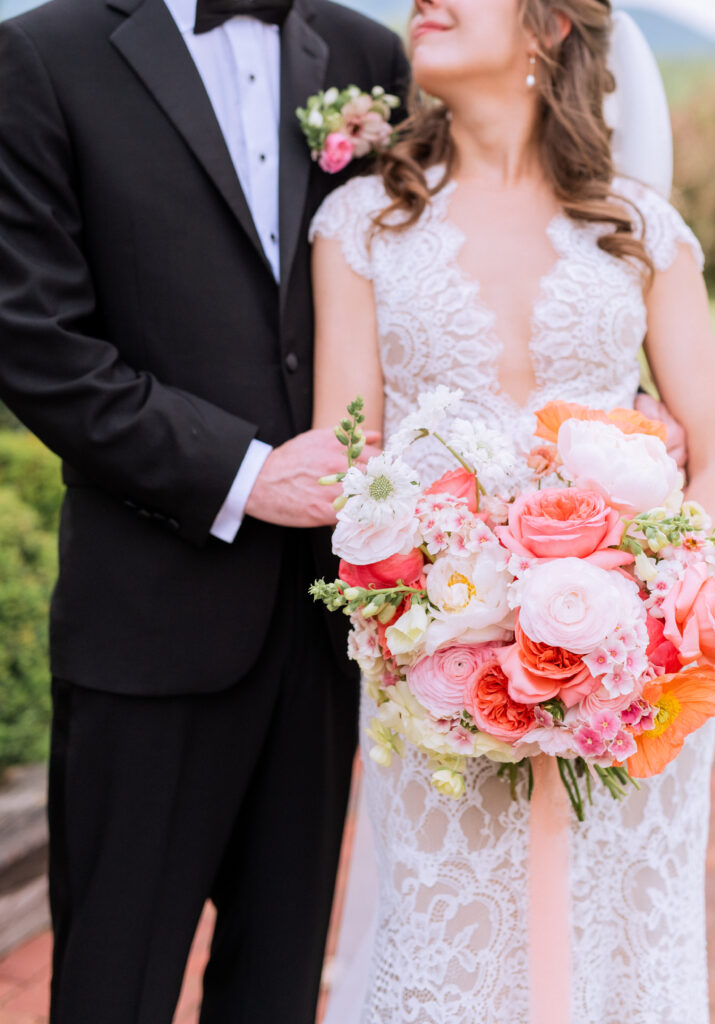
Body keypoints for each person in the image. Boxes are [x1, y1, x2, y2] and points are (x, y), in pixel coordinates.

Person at [309, 1, 715, 1022]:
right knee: (450, 950)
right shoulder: (362, 224)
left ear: (549, 27)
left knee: (612, 951)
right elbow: (351, 462)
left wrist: (656, 602)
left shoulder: (635, 223)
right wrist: (437, 610)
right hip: (438, 668)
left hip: (625, 670)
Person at [0, 0, 408, 1020]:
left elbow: (443, 277)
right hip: (148, 622)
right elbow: (35, 341)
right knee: (112, 988)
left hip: (324, 628)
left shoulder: (368, 56)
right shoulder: (44, 55)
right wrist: (243, 473)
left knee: (276, 986)